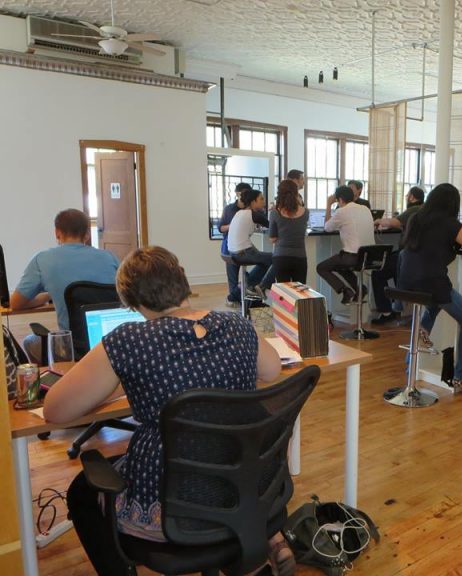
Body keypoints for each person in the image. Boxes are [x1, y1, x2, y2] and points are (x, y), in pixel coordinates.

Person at [44, 246, 285, 576]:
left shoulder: (130, 341)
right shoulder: (236, 325)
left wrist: (113, 384)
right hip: (244, 486)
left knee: (83, 491)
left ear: (129, 302)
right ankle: (245, 554)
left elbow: (55, 410)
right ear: (183, 280)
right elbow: (272, 372)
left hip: (171, 506)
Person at [398, 183, 462, 395]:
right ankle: (460, 378)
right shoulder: (451, 224)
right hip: (433, 284)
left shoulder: (416, 219)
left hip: (408, 282)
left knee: (433, 305)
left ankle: (412, 358)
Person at [11, 208, 119, 363]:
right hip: (112, 343)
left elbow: (16, 303)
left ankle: (55, 381)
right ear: (87, 234)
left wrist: (47, 296)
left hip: (73, 350)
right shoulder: (110, 258)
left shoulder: (42, 260)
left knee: (30, 341)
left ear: (57, 233)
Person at [370, 186, 425, 324]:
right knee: (394, 270)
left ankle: (387, 311)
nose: (406, 198)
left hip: (407, 254)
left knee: (378, 272)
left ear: (412, 197)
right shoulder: (424, 210)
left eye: (407, 195)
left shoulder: (413, 209)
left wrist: (377, 221)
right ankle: (399, 306)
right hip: (417, 256)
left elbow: (395, 222)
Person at [316, 185, 375, 304]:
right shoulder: (365, 209)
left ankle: (345, 290)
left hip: (353, 257)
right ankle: (360, 289)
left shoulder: (342, 211)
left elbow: (327, 228)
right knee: (340, 264)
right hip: (371, 257)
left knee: (321, 267)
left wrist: (328, 205)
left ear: (340, 200)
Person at [227, 187, 275, 301]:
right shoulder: (253, 214)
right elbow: (273, 227)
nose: (264, 202)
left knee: (264, 261)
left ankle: (244, 287)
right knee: (276, 258)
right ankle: (260, 286)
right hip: (242, 253)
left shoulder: (240, 213)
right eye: (261, 199)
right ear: (253, 202)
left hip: (233, 252)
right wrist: (274, 211)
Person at [269, 179, 309, 283]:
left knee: (284, 294)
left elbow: (272, 238)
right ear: (296, 193)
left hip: (280, 257)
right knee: (300, 293)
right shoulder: (305, 212)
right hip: (300, 257)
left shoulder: (275, 212)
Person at [219, 182, 251, 307]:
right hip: (228, 249)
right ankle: (233, 301)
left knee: (246, 276)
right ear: (237, 194)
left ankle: (240, 300)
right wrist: (234, 225)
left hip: (243, 249)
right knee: (232, 278)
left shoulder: (250, 210)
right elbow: (221, 228)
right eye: (243, 194)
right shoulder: (229, 209)